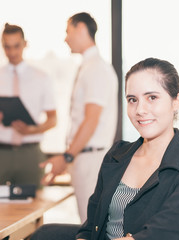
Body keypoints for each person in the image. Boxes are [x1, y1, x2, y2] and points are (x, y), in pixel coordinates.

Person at [31, 58, 179, 240]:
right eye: (132, 100)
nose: (140, 110)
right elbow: (91, 226)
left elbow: (163, 233)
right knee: (43, 234)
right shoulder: (117, 155)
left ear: (176, 101)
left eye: (152, 97)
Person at [40, 12, 118, 222]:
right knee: (88, 223)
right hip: (84, 158)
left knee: (91, 226)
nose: (65, 38)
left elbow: (91, 120)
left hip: (90, 160)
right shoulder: (88, 67)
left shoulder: (96, 69)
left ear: (81, 29)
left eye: (68, 31)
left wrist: (66, 156)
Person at [0, 23, 57, 187]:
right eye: (7, 47)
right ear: (2, 46)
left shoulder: (42, 78)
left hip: (30, 154)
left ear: (25, 44)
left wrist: (32, 130)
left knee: (33, 207)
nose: (12, 52)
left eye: (16, 46)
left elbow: (53, 119)